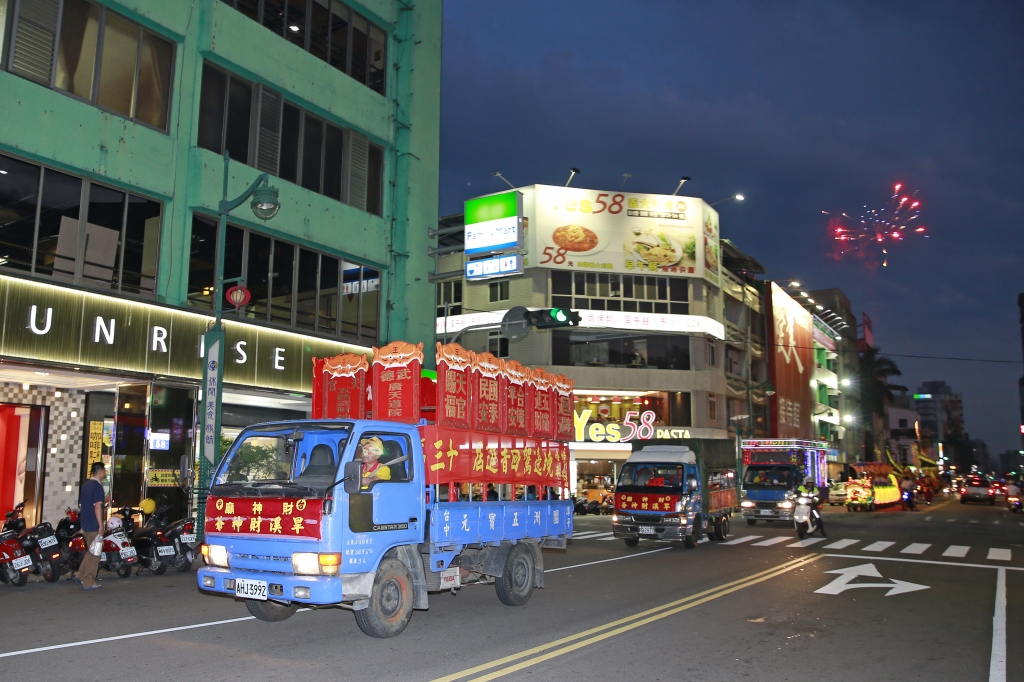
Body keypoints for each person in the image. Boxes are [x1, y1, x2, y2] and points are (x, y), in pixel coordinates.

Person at [74, 462, 107, 589]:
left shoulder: (86, 485)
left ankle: (79, 575)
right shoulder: (97, 487)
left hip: (85, 523)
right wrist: (101, 526)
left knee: (90, 551)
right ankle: (88, 581)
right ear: (99, 472)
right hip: (94, 524)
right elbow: (97, 507)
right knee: (95, 554)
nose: (105, 473)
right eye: (104, 471)